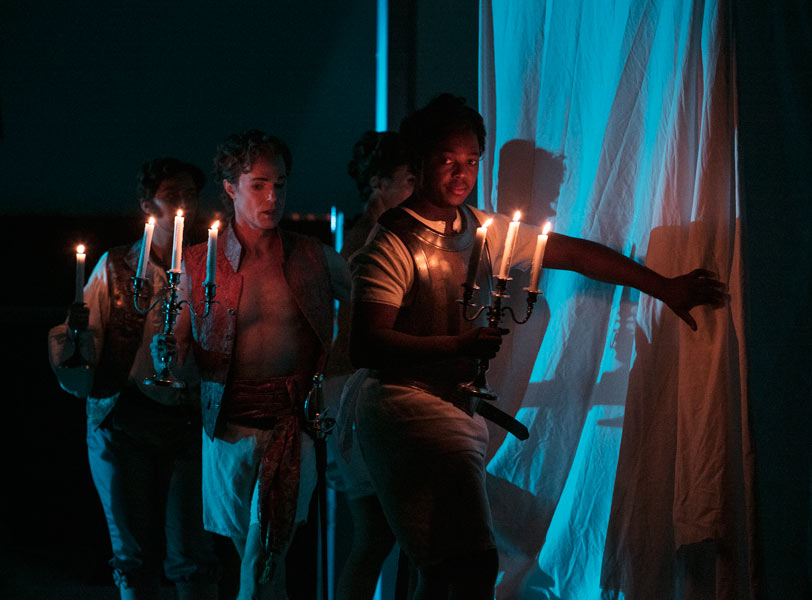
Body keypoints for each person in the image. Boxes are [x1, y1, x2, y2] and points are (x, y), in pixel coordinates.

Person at [347, 94, 728, 600]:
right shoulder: (392, 243)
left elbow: (571, 253)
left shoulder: (480, 230)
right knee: (468, 564)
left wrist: (663, 287)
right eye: (447, 160)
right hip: (405, 406)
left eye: (471, 161)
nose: (462, 174)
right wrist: (457, 344)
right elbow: (367, 344)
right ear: (419, 162)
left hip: (454, 408)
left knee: (445, 567)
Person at [153, 130, 350, 600]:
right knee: (262, 567)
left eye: (280, 184)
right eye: (259, 184)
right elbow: (179, 354)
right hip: (227, 431)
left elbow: (367, 313)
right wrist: (168, 355)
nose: (273, 197)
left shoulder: (315, 258)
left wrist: (338, 382)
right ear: (230, 187)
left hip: (291, 427)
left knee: (261, 561)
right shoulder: (199, 263)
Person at [48, 158, 219, 600]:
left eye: (190, 194)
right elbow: (82, 345)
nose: (184, 204)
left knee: (192, 556)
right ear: (147, 204)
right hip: (127, 422)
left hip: (188, 423)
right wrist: (76, 344)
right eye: (172, 195)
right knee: (133, 556)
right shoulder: (117, 267)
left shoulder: (207, 268)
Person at [324, 131, 414, 600]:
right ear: (379, 183)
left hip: (354, 387)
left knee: (381, 533)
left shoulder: (378, 235)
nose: (416, 189)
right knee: (377, 533)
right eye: (408, 179)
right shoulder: (368, 241)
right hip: (352, 390)